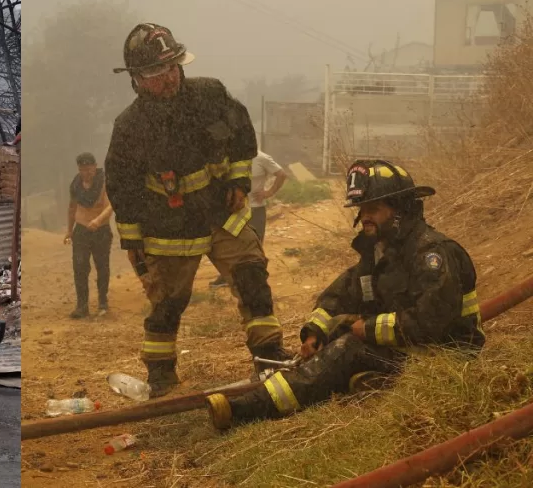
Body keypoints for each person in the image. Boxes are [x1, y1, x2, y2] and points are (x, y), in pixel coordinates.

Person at [206, 159, 485, 430]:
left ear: (401, 209)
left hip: (446, 360)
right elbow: (339, 295)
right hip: (410, 353)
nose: (364, 217)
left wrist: (366, 329)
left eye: (373, 209)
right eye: (361, 209)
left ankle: (247, 410)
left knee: (349, 347)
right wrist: (315, 332)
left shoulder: (432, 254)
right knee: (340, 332)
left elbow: (429, 323)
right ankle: (373, 380)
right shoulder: (380, 252)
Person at [104, 23, 289, 398]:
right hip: (168, 224)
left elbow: (242, 137)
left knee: (252, 275)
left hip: (220, 211)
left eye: (172, 68)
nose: (168, 78)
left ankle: (269, 355)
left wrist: (238, 183)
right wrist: (132, 239)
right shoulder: (129, 127)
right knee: (168, 302)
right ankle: (161, 376)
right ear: (137, 79)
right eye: (157, 73)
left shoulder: (211, 94)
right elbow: (122, 186)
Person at [210, 151, 287, 288]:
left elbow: (281, 174)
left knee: (255, 247)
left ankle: (257, 282)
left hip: (255, 210)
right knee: (231, 245)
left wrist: (269, 192)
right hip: (235, 210)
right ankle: (226, 277)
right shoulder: (230, 158)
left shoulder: (262, 158)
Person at [65, 153, 114, 319]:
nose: (86, 173)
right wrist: (69, 231)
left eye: (89, 169)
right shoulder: (76, 185)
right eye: (82, 170)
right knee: (79, 268)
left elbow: (110, 206)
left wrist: (98, 220)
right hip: (81, 231)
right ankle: (82, 306)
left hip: (101, 231)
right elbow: (72, 208)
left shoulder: (104, 182)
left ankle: (103, 303)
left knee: (102, 267)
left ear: (95, 166)